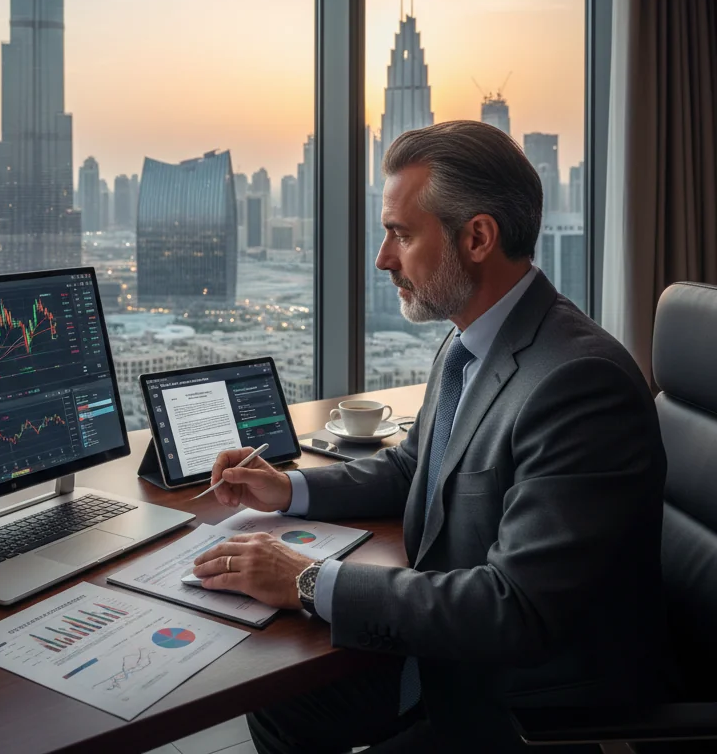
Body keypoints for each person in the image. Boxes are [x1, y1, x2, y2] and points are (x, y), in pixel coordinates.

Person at [193, 121, 666, 753]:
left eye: (401, 234)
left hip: (518, 702)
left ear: (477, 237)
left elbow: (514, 607)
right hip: (447, 653)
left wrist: (309, 580)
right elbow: (412, 468)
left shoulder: (579, 383)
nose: (384, 258)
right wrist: (288, 489)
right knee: (278, 703)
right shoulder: (469, 338)